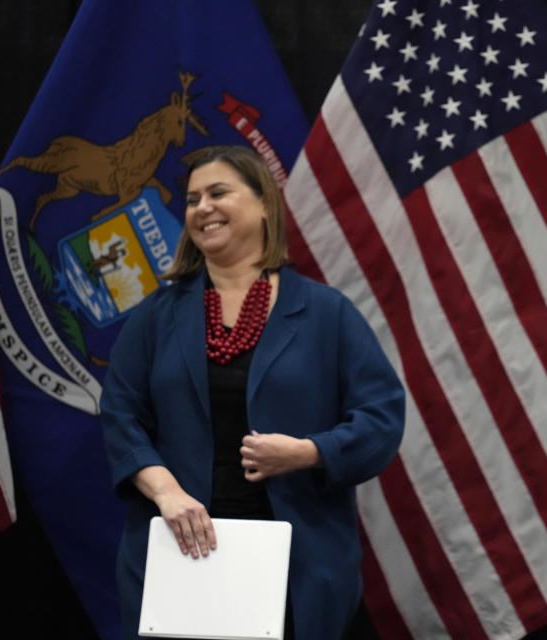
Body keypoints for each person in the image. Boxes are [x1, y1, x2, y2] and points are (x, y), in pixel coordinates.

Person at [100, 145, 405, 640]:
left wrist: (308, 452)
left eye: (218, 192)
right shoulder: (158, 316)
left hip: (296, 564)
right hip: (182, 555)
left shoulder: (327, 313)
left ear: (265, 202)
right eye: (193, 198)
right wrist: (167, 491)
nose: (202, 208)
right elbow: (119, 413)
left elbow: (382, 418)